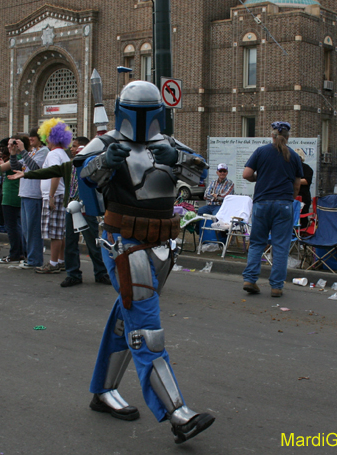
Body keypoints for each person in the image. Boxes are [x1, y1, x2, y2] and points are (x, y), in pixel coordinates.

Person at [74, 80, 214, 444]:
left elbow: (201, 176)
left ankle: (103, 390)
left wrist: (178, 160)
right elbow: (83, 178)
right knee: (146, 328)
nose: (140, 120)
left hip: (161, 244)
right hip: (125, 243)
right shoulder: (105, 144)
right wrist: (103, 162)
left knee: (128, 318)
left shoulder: (169, 144)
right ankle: (177, 413)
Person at [15, 136, 111, 286]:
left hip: (87, 209)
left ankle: (101, 273)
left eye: (76, 146)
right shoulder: (68, 166)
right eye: (73, 146)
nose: (72, 149)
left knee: (92, 243)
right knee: (70, 243)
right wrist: (26, 174)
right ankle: (73, 274)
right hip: (71, 209)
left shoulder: (93, 166)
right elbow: (49, 172)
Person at [241, 121, 303, 298]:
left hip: (262, 203)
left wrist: (259, 178)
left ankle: (250, 279)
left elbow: (246, 174)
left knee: (257, 243)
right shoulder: (294, 156)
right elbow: (297, 185)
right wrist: (289, 199)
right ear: (288, 137)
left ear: (272, 135)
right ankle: (276, 286)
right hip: (284, 204)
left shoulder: (261, 151)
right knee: (281, 246)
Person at [35, 120, 71, 274]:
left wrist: (50, 196)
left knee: (54, 232)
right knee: (60, 231)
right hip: (60, 195)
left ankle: (53, 263)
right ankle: (61, 261)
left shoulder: (54, 154)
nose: (46, 140)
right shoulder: (63, 154)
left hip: (55, 196)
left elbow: (55, 174)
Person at [9, 130, 48, 269]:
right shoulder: (32, 152)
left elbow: (35, 168)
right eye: (29, 137)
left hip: (35, 195)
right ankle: (31, 257)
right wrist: (13, 154)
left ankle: (35, 260)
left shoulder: (43, 152)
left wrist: (23, 151)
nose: (30, 139)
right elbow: (16, 167)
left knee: (33, 230)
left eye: (33, 137)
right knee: (26, 229)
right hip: (25, 193)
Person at [0, 146, 23, 263]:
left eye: (11, 144)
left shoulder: (16, 158)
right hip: (12, 193)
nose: (8, 147)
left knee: (11, 226)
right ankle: (20, 252)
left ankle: (15, 253)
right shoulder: (18, 158)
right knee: (16, 225)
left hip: (11, 194)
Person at [297, 149, 314, 228]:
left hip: (303, 197)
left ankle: (303, 231)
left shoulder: (307, 168)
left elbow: (307, 181)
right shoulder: (289, 167)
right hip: (291, 196)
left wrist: (294, 180)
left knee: (303, 217)